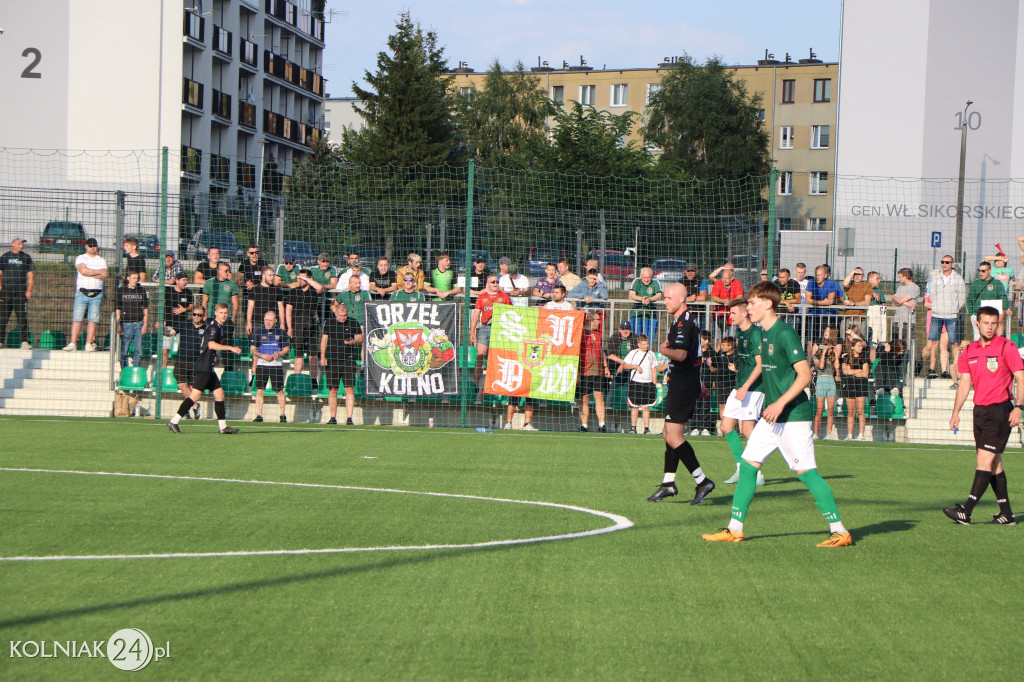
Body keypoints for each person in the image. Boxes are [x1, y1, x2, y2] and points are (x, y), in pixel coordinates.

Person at [703, 280, 852, 547]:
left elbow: (805, 375)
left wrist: (780, 402)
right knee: (748, 466)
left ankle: (840, 531)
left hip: (793, 415)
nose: (748, 307)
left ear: (768, 304)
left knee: (806, 472)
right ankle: (735, 528)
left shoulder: (784, 333)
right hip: (771, 418)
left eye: (752, 302)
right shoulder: (764, 334)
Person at [944, 306, 1023, 526]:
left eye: (993, 323)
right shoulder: (969, 351)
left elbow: (1021, 378)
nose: (990, 327)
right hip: (979, 411)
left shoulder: (1007, 346)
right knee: (994, 463)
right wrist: (955, 412)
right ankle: (1006, 514)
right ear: (977, 324)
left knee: (984, 460)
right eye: (986, 322)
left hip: (1000, 411)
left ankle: (966, 511)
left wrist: (1019, 407)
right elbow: (964, 384)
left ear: (998, 324)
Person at [646, 283, 716, 504]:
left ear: (681, 299)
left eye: (668, 298)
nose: (665, 301)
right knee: (669, 434)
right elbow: (696, 357)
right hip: (684, 383)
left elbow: (682, 355)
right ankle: (668, 483)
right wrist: (699, 382)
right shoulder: (682, 320)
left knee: (673, 436)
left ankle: (702, 480)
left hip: (682, 386)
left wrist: (663, 350)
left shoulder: (684, 323)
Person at [166, 302, 242, 435]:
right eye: (221, 313)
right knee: (195, 396)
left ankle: (223, 427)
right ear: (216, 313)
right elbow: (211, 344)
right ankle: (174, 421)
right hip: (204, 366)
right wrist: (231, 348)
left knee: (219, 394)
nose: (224, 315)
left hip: (208, 365)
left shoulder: (218, 326)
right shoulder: (214, 327)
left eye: (225, 313)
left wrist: (216, 356)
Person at [720, 298, 767, 485]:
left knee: (748, 430)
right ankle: (741, 468)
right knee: (726, 427)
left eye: (732, 313)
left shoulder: (756, 334)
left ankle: (757, 473)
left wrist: (746, 386)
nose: (730, 316)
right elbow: (746, 364)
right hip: (740, 386)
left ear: (744, 313)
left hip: (754, 388)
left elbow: (760, 364)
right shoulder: (739, 334)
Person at [320, 301, 363, 425]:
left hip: (348, 359)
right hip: (332, 360)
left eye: (344, 316)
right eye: (340, 316)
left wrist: (353, 342)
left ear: (347, 314)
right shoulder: (329, 322)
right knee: (332, 389)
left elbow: (360, 339)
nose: (342, 318)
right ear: (336, 313)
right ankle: (333, 417)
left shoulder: (353, 322)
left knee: (349, 388)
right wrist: (322, 356)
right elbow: (324, 339)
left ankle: (349, 418)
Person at [924, 254, 966, 381]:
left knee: (954, 342)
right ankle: (932, 369)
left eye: (947, 262)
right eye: (943, 262)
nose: (944, 264)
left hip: (951, 315)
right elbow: (933, 295)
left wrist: (954, 309)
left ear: (952, 264)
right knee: (934, 342)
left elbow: (962, 297)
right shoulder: (936, 278)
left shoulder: (958, 279)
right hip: (937, 315)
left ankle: (955, 367)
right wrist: (937, 307)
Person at [65, 238, 108, 352]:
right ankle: (73, 343)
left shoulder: (101, 260)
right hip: (82, 292)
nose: (92, 248)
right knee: (77, 318)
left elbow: (104, 274)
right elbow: (82, 271)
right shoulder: (81, 258)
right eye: (90, 246)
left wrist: (89, 271)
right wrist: (96, 271)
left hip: (97, 293)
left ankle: (88, 343)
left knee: (93, 320)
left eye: (94, 246)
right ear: (86, 247)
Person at [470, 275, 511, 391]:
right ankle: (476, 385)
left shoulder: (504, 297)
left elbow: (511, 313)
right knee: (480, 356)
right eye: (493, 281)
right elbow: (476, 315)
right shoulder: (482, 297)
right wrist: (471, 331)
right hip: (485, 328)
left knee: (499, 358)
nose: (495, 283)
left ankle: (498, 385)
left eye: (497, 281)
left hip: (499, 329)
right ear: (488, 283)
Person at [250, 310, 290, 422]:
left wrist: (279, 354)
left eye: (270, 320)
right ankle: (259, 415)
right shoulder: (258, 332)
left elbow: (286, 349)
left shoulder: (281, 332)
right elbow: (252, 350)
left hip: (276, 364)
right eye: (266, 320)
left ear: (275, 321)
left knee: (279, 390)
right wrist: (262, 355)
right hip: (262, 364)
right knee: (260, 390)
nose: (268, 323)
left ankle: (282, 415)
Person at [286, 269, 324, 381]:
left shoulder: (313, 291)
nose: (300, 280)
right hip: (297, 326)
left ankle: (313, 380)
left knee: (312, 354)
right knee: (298, 353)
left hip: (312, 325)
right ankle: (297, 378)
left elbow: (320, 288)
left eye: (303, 278)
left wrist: (307, 279)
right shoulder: (294, 291)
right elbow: (288, 310)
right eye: (299, 278)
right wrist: (289, 328)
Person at [578, 312, 611, 432]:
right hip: (585, 371)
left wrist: (606, 366)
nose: (599, 322)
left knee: (599, 396)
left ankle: (602, 424)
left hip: (598, 371)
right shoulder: (582, 333)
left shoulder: (598, 334)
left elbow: (601, 351)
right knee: (584, 397)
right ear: (591, 320)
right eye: (598, 319)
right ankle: (584, 425)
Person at [174, 304, 207, 421]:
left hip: (197, 361)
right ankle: (194, 406)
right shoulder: (184, 324)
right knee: (182, 384)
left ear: (204, 316)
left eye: (199, 315)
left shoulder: (206, 328)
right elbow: (171, 332)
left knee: (194, 388)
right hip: (181, 359)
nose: (196, 317)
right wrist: (162, 329)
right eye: (194, 314)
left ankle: (187, 410)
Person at [0, 238, 35, 349]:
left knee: (22, 317)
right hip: (6, 292)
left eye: (23, 243)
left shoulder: (26, 257)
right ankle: (0, 341)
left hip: (20, 292)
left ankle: (24, 341)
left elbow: (30, 275)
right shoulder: (5, 257)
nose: (21, 245)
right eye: (19, 243)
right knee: (3, 317)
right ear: (13, 244)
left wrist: (29, 290)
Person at [620, 334, 658, 434]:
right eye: (644, 344)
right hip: (636, 382)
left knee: (646, 407)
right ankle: (633, 427)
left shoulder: (651, 354)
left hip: (648, 383)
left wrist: (654, 384)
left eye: (647, 344)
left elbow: (654, 369)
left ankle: (646, 428)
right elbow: (624, 365)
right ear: (638, 344)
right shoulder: (633, 353)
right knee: (635, 406)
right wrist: (635, 366)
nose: (646, 346)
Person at [967, 261, 1009, 342]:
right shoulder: (975, 284)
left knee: (992, 339)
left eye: (983, 271)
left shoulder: (997, 283)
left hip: (992, 317)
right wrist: (971, 314)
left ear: (989, 271)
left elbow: (1003, 297)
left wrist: (1006, 308)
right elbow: (970, 300)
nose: (981, 273)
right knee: (978, 339)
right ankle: (979, 354)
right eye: (979, 271)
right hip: (978, 315)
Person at [811, 326, 841, 441]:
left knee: (830, 409)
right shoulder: (816, 357)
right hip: (821, 381)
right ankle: (816, 433)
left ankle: (829, 433)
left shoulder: (832, 357)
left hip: (830, 381)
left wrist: (835, 353)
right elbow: (821, 366)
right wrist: (823, 353)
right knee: (819, 409)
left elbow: (836, 366)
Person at [115, 271, 149, 369]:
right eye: (133, 278)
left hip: (139, 323)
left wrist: (145, 324)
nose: (135, 280)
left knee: (138, 349)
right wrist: (118, 324)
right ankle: (124, 369)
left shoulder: (141, 290)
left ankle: (136, 368)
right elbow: (118, 308)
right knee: (124, 349)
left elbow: (145, 308)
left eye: (137, 278)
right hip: (126, 323)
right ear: (128, 278)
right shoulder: (121, 290)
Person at [805, 264, 845, 343]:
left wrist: (815, 302)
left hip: (828, 315)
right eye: (816, 275)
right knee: (811, 339)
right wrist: (823, 302)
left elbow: (830, 301)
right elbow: (808, 300)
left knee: (828, 339)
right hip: (813, 315)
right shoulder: (811, 282)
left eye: (820, 275)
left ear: (825, 275)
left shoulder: (831, 284)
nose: (817, 277)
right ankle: (810, 355)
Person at [840, 337, 870, 441]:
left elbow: (865, 373)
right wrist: (859, 371)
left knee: (860, 410)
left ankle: (861, 434)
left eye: (861, 345)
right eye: (859, 345)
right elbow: (845, 372)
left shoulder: (864, 358)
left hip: (861, 385)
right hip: (850, 384)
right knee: (851, 411)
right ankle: (850, 435)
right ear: (852, 347)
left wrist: (852, 371)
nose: (861, 347)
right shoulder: (846, 358)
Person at [692, 330, 717, 437]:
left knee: (706, 406)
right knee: (696, 405)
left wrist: (710, 365)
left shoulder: (713, 353)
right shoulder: (694, 352)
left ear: (706, 340)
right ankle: (695, 427)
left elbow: (716, 370)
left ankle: (706, 428)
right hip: (695, 382)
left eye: (700, 339)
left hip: (707, 382)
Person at [246, 266, 285, 334]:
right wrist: (249, 323)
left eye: (273, 275)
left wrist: (282, 323)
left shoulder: (277, 290)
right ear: (263, 276)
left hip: (273, 324)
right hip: (258, 323)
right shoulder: (255, 290)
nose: (272, 277)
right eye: (270, 275)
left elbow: (281, 308)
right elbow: (250, 307)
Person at [709, 263, 744, 339]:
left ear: (732, 277)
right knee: (719, 341)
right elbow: (714, 297)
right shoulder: (718, 282)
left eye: (727, 278)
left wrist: (731, 302)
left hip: (733, 317)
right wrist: (723, 301)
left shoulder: (737, 283)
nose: (724, 280)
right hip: (719, 316)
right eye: (723, 277)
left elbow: (740, 297)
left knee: (731, 340)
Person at [891, 268, 919, 340]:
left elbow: (900, 301)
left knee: (907, 343)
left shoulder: (914, 288)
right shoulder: (900, 287)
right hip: (897, 320)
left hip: (908, 321)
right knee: (896, 344)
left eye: (900, 277)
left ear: (905, 277)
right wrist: (906, 303)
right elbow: (894, 304)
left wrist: (895, 298)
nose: (899, 279)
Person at [237, 244, 268, 309]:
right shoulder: (244, 264)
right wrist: (246, 284)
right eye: (252, 253)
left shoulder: (263, 264)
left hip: (261, 294)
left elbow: (268, 280)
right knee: (246, 316)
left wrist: (255, 286)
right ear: (248, 254)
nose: (254, 254)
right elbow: (237, 281)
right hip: (248, 295)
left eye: (256, 252)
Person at [679, 264, 709, 329]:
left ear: (696, 271)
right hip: (684, 313)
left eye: (692, 271)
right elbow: (677, 297)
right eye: (688, 271)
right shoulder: (680, 281)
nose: (690, 273)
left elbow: (703, 297)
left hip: (700, 313)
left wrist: (694, 298)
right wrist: (688, 299)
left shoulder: (702, 280)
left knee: (700, 333)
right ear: (685, 271)